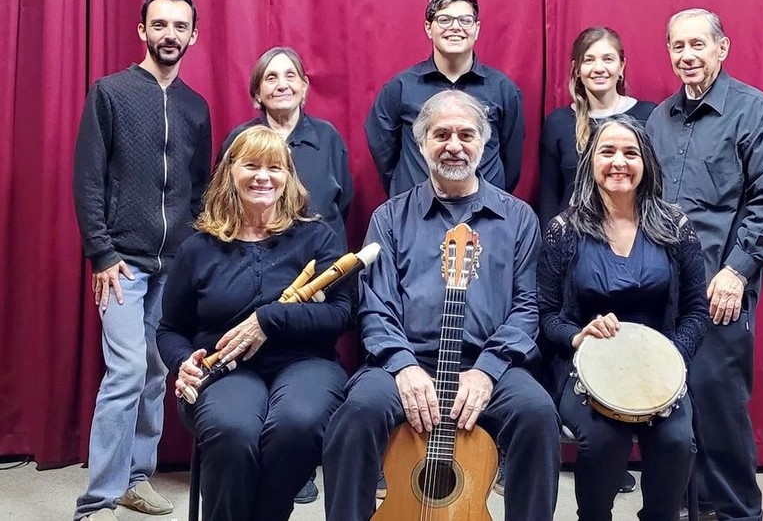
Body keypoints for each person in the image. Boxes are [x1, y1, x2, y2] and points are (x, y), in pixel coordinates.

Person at [323, 90, 560, 521]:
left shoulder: (519, 218)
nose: (454, 145)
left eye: (466, 134)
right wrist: (404, 365)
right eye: (441, 134)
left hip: (489, 364)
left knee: (538, 415)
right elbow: (375, 306)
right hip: (404, 363)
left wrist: (488, 370)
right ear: (421, 143)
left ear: (485, 143)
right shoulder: (389, 218)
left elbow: (528, 308)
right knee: (355, 414)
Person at [156, 126, 353, 521]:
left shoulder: (317, 236)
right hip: (224, 366)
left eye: (274, 167)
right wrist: (184, 361)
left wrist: (269, 318)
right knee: (234, 431)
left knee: (296, 424)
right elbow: (169, 328)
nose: (263, 176)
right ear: (230, 172)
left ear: (288, 177)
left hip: (305, 363)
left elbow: (341, 314)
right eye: (251, 166)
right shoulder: (199, 247)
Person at [646, 8, 763, 521]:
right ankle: (690, 507)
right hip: (663, 289)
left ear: (722, 48)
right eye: (677, 47)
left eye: (697, 45)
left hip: (720, 287)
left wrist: (736, 271)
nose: (687, 56)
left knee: (718, 407)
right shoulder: (657, 119)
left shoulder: (754, 111)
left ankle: (734, 513)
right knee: (670, 409)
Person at [72, 0, 211, 521]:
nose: (169, 34)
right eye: (160, 25)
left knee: (156, 372)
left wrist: (195, 253)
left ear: (192, 36)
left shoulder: (196, 106)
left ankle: (136, 478)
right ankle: (98, 500)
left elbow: (201, 191)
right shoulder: (109, 93)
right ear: (142, 31)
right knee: (127, 370)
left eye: (180, 26)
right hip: (122, 264)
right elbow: (88, 180)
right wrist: (101, 254)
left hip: (174, 265)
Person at [539, 115, 708, 520]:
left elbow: (696, 312)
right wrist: (578, 336)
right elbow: (545, 314)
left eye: (630, 152)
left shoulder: (676, 227)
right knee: (601, 441)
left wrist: (670, 356)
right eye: (607, 151)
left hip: (660, 372)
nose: (619, 162)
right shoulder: (564, 230)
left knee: (675, 442)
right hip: (586, 369)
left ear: (646, 162)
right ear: (590, 162)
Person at [366, 0, 524, 198]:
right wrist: (407, 188)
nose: (455, 27)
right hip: (417, 215)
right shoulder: (400, 88)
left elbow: (511, 160)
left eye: (465, 20)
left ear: (476, 29)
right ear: (428, 28)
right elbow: (383, 152)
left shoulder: (503, 89)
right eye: (444, 20)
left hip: (485, 215)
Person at [219, 46, 352, 249]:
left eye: (290, 76)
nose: (282, 85)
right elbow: (222, 201)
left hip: (322, 259)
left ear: (304, 86)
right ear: (257, 93)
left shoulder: (328, 137)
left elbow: (343, 204)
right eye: (271, 78)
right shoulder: (240, 139)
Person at [539, 26, 657, 228]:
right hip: (573, 241)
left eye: (608, 59)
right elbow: (549, 196)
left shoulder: (649, 116)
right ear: (577, 69)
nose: (599, 68)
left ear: (622, 66)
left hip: (634, 238)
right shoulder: (558, 123)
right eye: (589, 60)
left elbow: (656, 188)